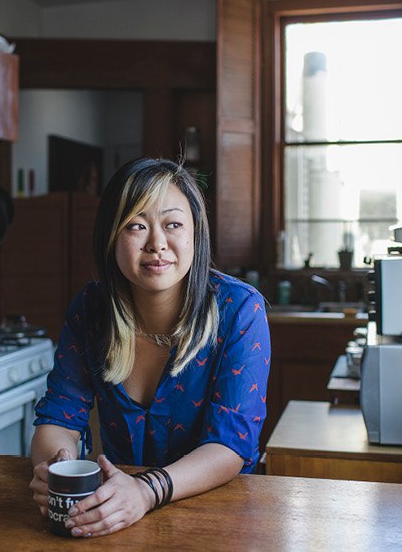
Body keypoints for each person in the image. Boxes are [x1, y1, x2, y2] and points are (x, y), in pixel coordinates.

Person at [29, 158, 270, 538]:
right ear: (111, 237)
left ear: (195, 234)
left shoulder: (239, 309)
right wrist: (54, 468)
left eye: (173, 224)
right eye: (136, 226)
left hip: (218, 520)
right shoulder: (92, 310)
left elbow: (231, 446)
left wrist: (145, 491)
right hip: (118, 518)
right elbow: (59, 418)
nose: (157, 243)